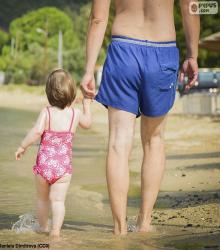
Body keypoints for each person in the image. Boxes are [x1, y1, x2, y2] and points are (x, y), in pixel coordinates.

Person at [80, 0, 199, 235]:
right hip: (163, 53)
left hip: (123, 51)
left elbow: (97, 18)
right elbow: (192, 7)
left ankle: (120, 228)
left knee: (118, 144)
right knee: (154, 141)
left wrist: (88, 69)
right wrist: (192, 54)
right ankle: (144, 223)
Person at [15, 69, 92, 237]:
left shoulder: (47, 112)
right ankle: (55, 232)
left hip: (44, 166)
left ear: (49, 94)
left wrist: (23, 146)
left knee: (42, 200)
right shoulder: (75, 114)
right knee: (58, 202)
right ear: (72, 94)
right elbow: (88, 123)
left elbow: (36, 131)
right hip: (63, 169)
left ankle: (43, 228)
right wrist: (86, 105)